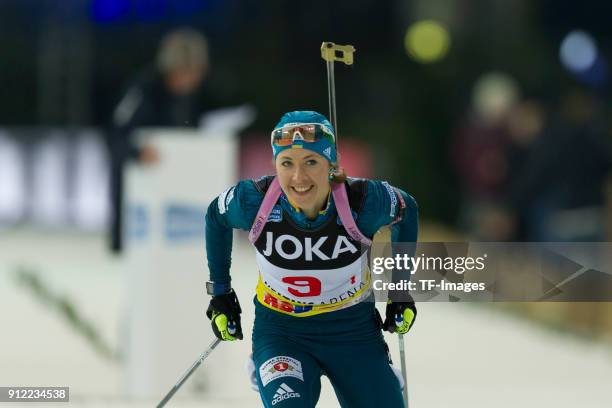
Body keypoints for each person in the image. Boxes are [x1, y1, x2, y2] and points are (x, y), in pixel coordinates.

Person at [204, 111, 419, 407]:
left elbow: (408, 211)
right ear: (275, 165)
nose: (298, 177)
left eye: (311, 162)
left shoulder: (364, 200)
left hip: (352, 331)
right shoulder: (253, 201)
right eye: (287, 163)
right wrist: (220, 293)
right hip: (282, 331)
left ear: (331, 165)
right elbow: (216, 216)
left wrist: (400, 291)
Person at [107, 27, 221, 253]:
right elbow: (115, 133)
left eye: (196, 73)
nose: (192, 79)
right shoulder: (142, 89)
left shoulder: (192, 97)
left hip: (174, 198)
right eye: (187, 72)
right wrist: (137, 152)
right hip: (136, 197)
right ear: (172, 68)